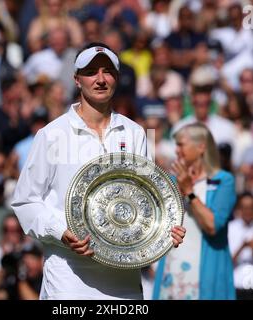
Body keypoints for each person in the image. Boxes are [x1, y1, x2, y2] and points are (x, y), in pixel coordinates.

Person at [11, 42, 186, 300]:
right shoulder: (52, 135)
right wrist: (61, 231)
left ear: (116, 78)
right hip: (68, 278)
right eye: (92, 72)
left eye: (108, 72)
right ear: (77, 79)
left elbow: (149, 200)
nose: (101, 79)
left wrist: (165, 230)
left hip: (123, 282)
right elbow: (26, 201)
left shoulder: (135, 133)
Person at [153, 122, 236, 300]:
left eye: (181, 145)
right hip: (172, 269)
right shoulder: (171, 180)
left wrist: (189, 192)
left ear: (201, 147)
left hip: (204, 271)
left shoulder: (224, 181)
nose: (176, 151)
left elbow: (213, 226)